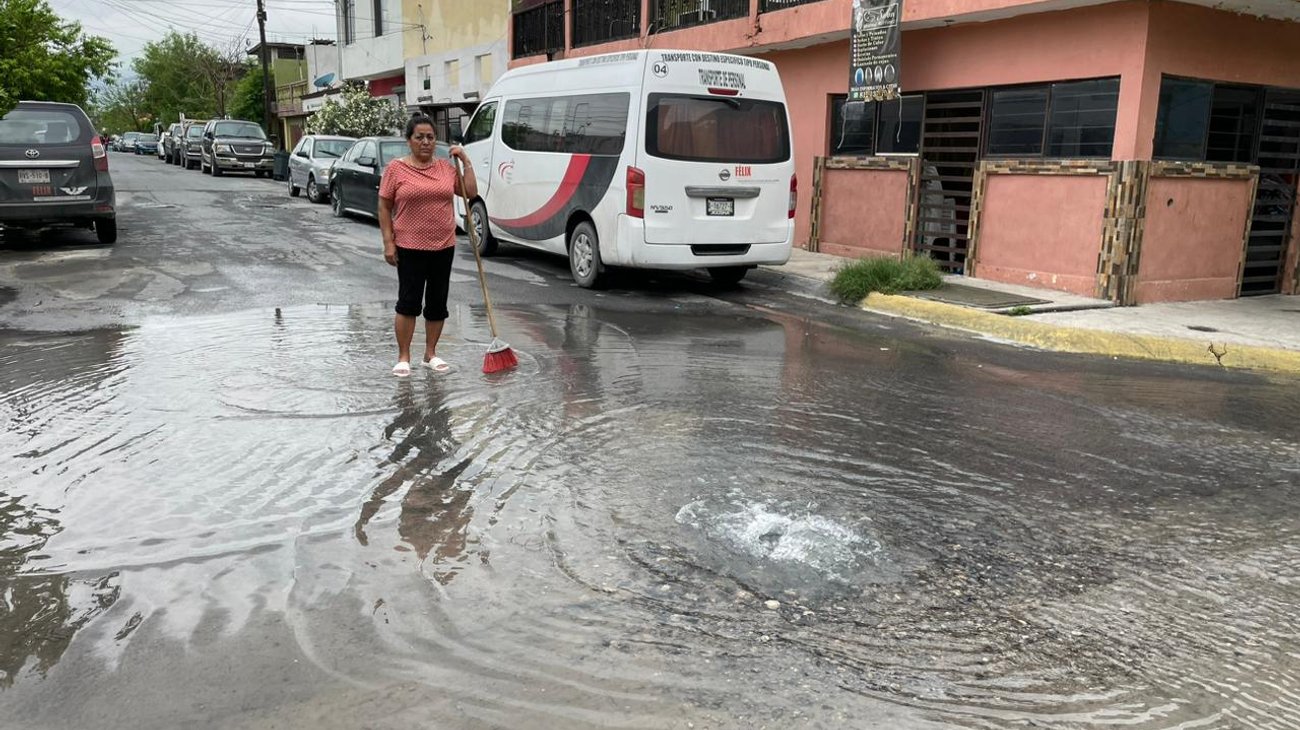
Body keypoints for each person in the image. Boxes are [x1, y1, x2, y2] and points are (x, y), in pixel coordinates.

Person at [378, 114, 477, 377]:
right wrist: (389, 242)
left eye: (430, 137)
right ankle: (403, 356)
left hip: (443, 245)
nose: (425, 142)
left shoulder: (446, 168)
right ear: (409, 141)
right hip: (409, 246)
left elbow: (470, 192)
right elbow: (385, 206)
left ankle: (430, 353)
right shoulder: (396, 170)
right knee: (408, 302)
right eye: (419, 137)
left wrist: (466, 161)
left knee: (437, 303)